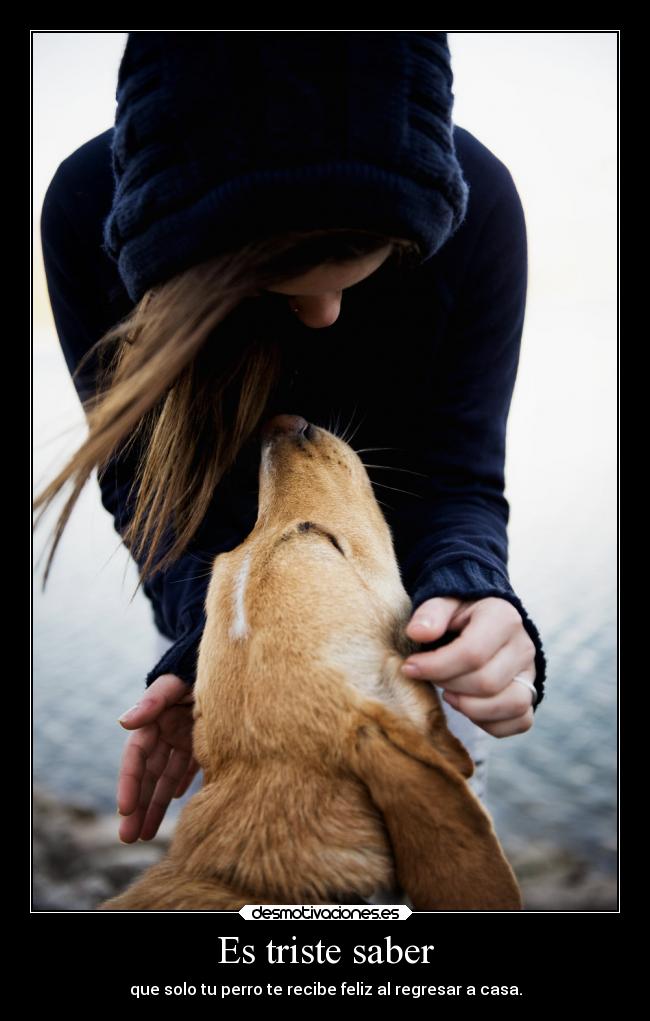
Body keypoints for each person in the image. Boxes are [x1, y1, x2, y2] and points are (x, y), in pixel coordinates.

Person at [36, 31, 547, 849]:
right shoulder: (87, 210)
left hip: (407, 632)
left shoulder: (476, 202)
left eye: (364, 268)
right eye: (281, 284)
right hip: (225, 639)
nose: (326, 318)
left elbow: (458, 479)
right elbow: (144, 489)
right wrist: (211, 647)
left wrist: (473, 587)